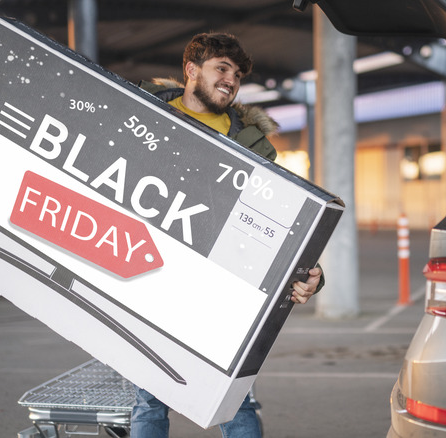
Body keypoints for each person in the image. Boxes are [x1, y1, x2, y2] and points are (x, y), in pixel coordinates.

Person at [131, 32, 324, 438]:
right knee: (148, 403)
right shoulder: (137, 114)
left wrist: (308, 271)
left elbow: (278, 221)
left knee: (235, 405)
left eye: (236, 74)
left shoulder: (253, 146)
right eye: (221, 68)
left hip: (221, 294)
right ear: (191, 69)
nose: (230, 80)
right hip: (147, 280)